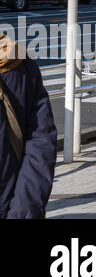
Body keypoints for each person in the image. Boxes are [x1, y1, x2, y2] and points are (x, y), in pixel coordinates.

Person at [0, 31, 57, 217]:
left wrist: (22, 211)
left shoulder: (18, 65)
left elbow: (40, 141)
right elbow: (40, 143)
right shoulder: (18, 62)